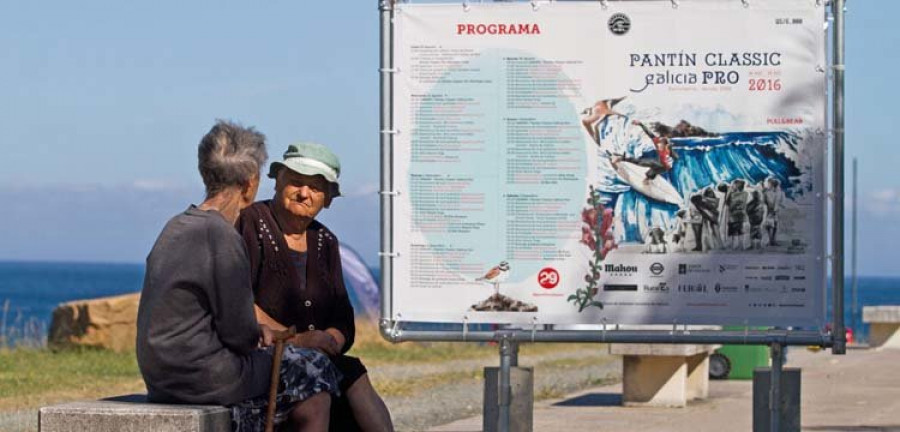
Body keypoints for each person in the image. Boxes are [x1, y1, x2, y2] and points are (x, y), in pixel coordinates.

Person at [136, 121, 340, 432]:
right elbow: (239, 335)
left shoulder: (176, 226)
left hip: (160, 376)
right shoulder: (221, 235)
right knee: (314, 369)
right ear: (250, 182)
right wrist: (268, 334)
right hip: (203, 378)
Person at [237, 142, 394, 432]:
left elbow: (342, 315)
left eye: (315, 188)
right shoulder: (251, 224)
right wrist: (298, 340)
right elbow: (237, 300)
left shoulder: (325, 241)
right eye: (295, 182)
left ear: (329, 199)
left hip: (313, 357)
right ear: (277, 181)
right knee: (316, 382)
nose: (304, 193)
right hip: (263, 354)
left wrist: (330, 338)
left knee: (354, 373)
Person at [609, 119, 679, 184]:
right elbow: (649, 133)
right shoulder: (657, 140)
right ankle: (620, 158)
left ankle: (647, 179)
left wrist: (671, 155)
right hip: (661, 164)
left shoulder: (667, 146)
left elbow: (676, 157)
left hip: (665, 167)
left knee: (652, 170)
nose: (661, 145)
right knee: (647, 163)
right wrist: (640, 124)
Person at [725, 180, 749, 250]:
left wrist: (729, 192)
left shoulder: (733, 194)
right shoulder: (745, 193)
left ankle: (735, 245)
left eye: (733, 185)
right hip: (740, 214)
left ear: (737, 186)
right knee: (738, 229)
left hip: (734, 214)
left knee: (734, 230)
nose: (732, 186)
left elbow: (728, 203)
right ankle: (740, 245)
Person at [762, 177, 784, 246]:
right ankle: (771, 240)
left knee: (775, 225)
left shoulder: (777, 192)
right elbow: (764, 201)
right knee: (768, 225)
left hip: (774, 210)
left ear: (772, 184)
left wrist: (774, 210)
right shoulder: (766, 192)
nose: (768, 185)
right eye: (768, 183)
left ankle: (773, 240)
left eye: (769, 184)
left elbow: (778, 202)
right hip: (769, 210)